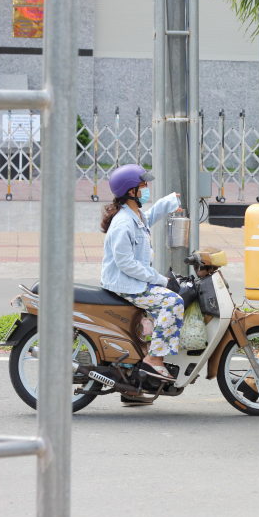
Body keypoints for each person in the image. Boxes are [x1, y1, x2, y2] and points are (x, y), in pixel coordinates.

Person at [100, 164, 183, 405]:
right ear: (131, 191)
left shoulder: (134, 214)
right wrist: (159, 279)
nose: (146, 189)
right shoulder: (123, 223)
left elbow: (151, 215)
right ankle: (154, 360)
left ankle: (132, 388)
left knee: (146, 324)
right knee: (172, 301)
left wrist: (170, 202)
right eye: (143, 185)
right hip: (126, 283)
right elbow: (125, 263)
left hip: (133, 281)